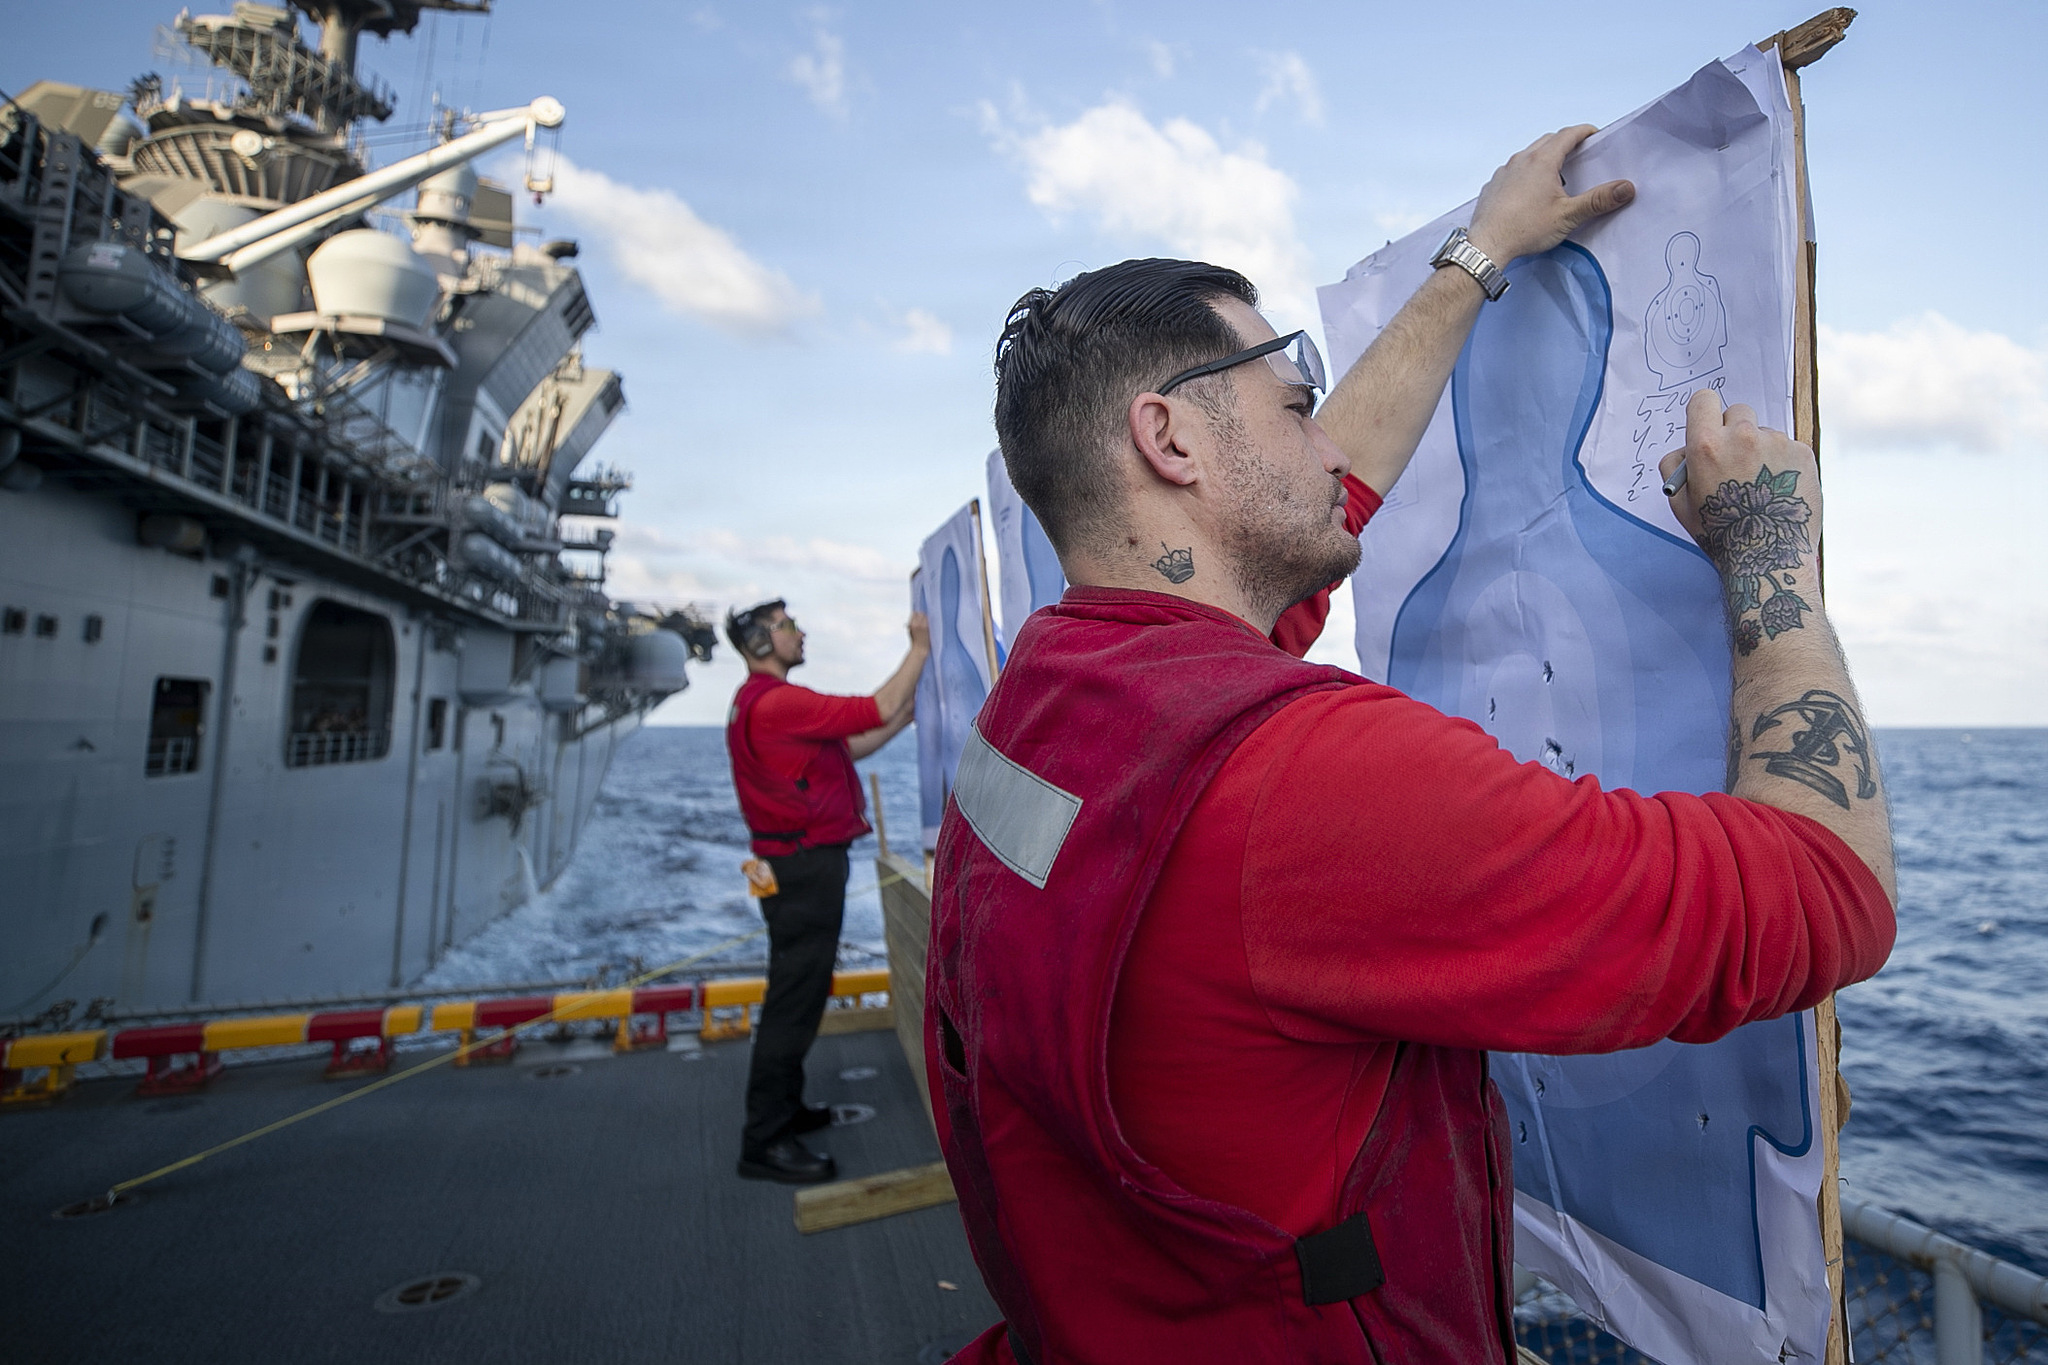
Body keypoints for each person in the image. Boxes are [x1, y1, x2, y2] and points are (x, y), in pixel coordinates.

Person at [928, 125, 1897, 1363]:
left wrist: (1476, 256)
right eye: (1293, 409)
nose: (1330, 444)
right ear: (1169, 442)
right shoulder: (1301, 784)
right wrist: (1769, 551)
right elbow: (1827, 892)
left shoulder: (1053, 701)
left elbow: (1312, 508)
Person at [724, 598, 929, 1184]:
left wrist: (903, 719)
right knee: (794, 1002)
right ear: (763, 643)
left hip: (790, 867)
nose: (799, 632)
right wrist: (918, 649)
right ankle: (763, 1142)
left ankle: (784, 1112)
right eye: (788, 626)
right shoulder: (781, 701)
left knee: (799, 992)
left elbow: (853, 743)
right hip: (805, 869)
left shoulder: (756, 704)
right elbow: (875, 705)